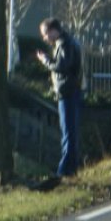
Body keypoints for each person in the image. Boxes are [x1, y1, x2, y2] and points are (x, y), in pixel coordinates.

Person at [35, 17, 83, 182]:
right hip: (70, 92)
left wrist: (45, 60)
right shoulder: (66, 43)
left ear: (53, 30)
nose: (45, 38)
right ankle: (71, 169)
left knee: (68, 133)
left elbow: (61, 66)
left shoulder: (64, 44)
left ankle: (64, 171)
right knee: (70, 132)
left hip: (67, 93)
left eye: (45, 34)